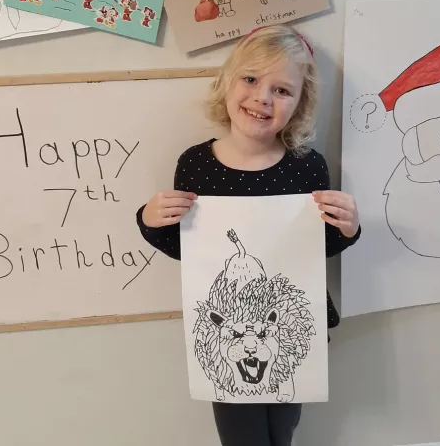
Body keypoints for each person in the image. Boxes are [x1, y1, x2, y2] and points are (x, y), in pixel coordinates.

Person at [135, 24, 361, 446]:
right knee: (242, 436)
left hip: (289, 329)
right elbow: (189, 250)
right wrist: (150, 219)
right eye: (252, 79)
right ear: (227, 83)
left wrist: (348, 230)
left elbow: (316, 250)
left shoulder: (307, 167)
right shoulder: (197, 164)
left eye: (282, 90)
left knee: (283, 429)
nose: (262, 97)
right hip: (228, 332)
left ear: (299, 104)